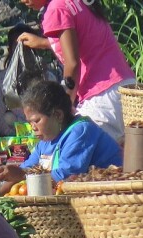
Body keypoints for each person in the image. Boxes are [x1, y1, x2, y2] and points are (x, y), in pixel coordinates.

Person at [16, 0, 135, 143]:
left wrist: (64, 107)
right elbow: (83, 37)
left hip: (101, 97)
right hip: (125, 88)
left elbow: (72, 64)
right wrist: (44, 43)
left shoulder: (56, 9)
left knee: (86, 156)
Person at [0, 80, 121, 193]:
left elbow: (65, 176)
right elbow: (26, 169)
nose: (32, 127)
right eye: (29, 122)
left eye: (36, 121)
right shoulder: (45, 140)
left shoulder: (81, 131)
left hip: (109, 196)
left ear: (58, 115)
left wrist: (22, 175)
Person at [0, 24, 51, 136]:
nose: (22, 51)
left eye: (27, 46)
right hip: (14, 134)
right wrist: (17, 138)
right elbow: (0, 119)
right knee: (8, 117)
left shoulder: (47, 78)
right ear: (10, 50)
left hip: (42, 133)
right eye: (18, 46)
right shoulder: (1, 80)